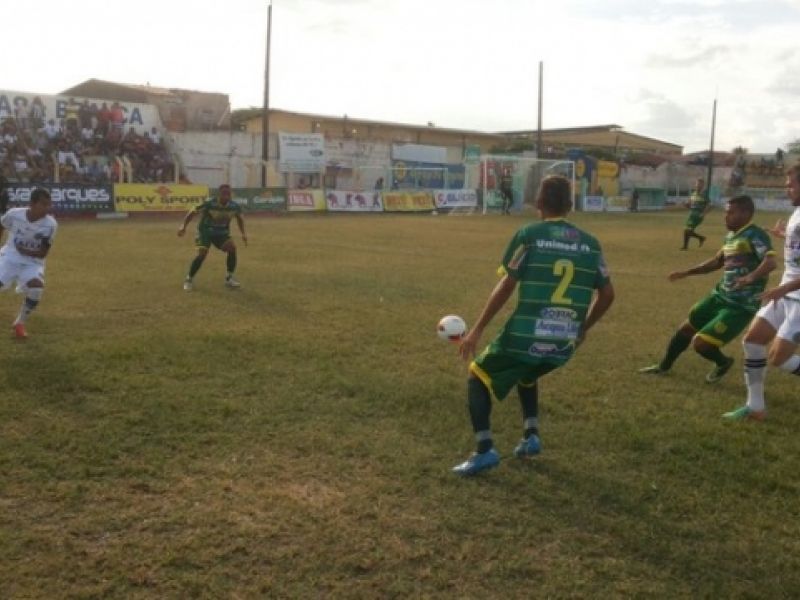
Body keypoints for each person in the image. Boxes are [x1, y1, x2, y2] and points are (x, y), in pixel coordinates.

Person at [452, 175, 615, 476]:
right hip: (563, 341)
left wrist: (476, 330)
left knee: (478, 376)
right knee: (527, 372)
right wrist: (583, 328)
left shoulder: (530, 235)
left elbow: (507, 285)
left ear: (538, 202)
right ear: (570, 205)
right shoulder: (591, 244)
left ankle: (484, 451)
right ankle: (531, 436)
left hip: (526, 335)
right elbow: (607, 294)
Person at [639, 195, 776, 383]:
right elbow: (717, 262)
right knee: (686, 328)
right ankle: (663, 367)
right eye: (726, 212)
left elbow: (770, 262)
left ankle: (723, 362)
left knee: (701, 343)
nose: (725, 216)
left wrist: (750, 277)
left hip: (740, 305)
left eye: (731, 213)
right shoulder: (731, 236)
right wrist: (686, 272)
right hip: (719, 296)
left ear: (746, 214)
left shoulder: (755, 235)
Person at [723, 165, 800, 421]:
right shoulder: (797, 212)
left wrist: (783, 288)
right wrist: (785, 236)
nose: (787, 189)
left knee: (779, 358)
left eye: (791, 185)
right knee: (753, 341)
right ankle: (755, 408)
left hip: (795, 295)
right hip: (786, 292)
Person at [0, 188, 56, 339]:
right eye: (43, 204)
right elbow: (2, 225)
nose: (47, 208)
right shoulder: (14, 214)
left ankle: (19, 323)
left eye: (48, 204)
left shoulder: (51, 224)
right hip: (10, 256)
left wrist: (24, 250)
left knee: (37, 287)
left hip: (33, 262)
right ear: (32, 203)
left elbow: (43, 253)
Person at [177, 184, 247, 291]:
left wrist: (243, 233)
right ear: (219, 194)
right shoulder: (210, 203)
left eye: (228, 193)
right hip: (205, 231)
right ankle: (189, 279)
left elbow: (239, 218)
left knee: (232, 248)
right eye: (224, 193)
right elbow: (193, 211)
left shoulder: (234, 206)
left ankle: (229, 278)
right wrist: (183, 226)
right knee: (202, 254)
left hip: (221, 232)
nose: (226, 196)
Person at [681, 177, 711, 250]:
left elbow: (708, 205)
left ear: (702, 186)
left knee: (688, 230)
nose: (698, 186)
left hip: (698, 214)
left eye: (700, 184)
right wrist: (685, 204)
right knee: (687, 230)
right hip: (691, 214)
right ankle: (699, 239)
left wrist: (703, 213)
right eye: (697, 184)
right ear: (695, 185)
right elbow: (689, 205)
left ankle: (687, 246)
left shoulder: (704, 195)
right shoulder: (693, 194)